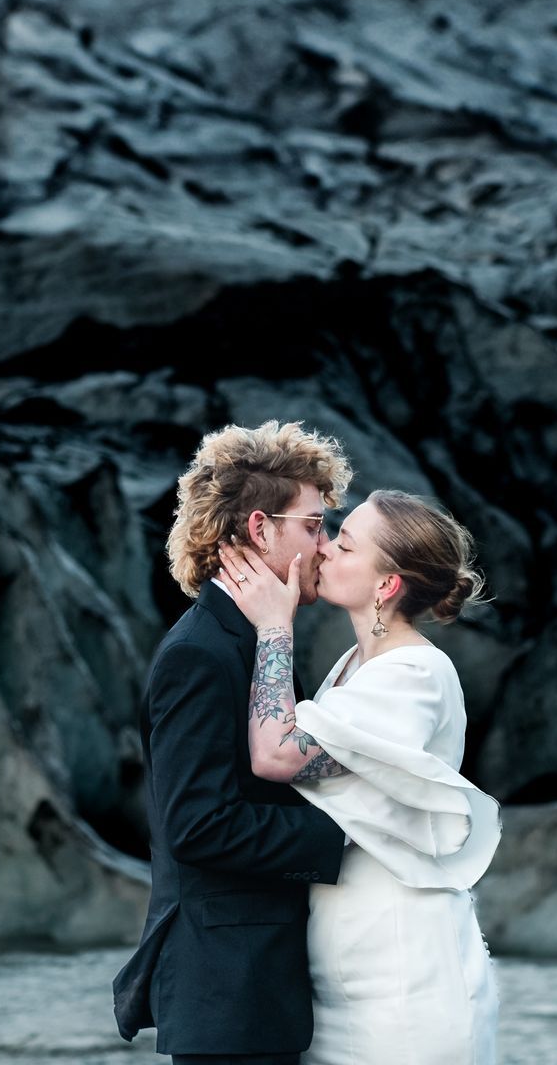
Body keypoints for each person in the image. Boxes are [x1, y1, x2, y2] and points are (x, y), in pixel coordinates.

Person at [214, 489, 500, 1065]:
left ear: (385, 586)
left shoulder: (414, 674)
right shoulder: (354, 666)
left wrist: (274, 628)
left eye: (343, 544)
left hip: (403, 981)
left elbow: (277, 754)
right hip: (345, 972)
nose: (322, 550)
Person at [114, 420, 354, 1065]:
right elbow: (197, 825)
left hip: (254, 988)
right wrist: (349, 837)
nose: (326, 545)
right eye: (312, 525)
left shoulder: (250, 639)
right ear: (259, 528)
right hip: (228, 993)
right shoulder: (200, 653)